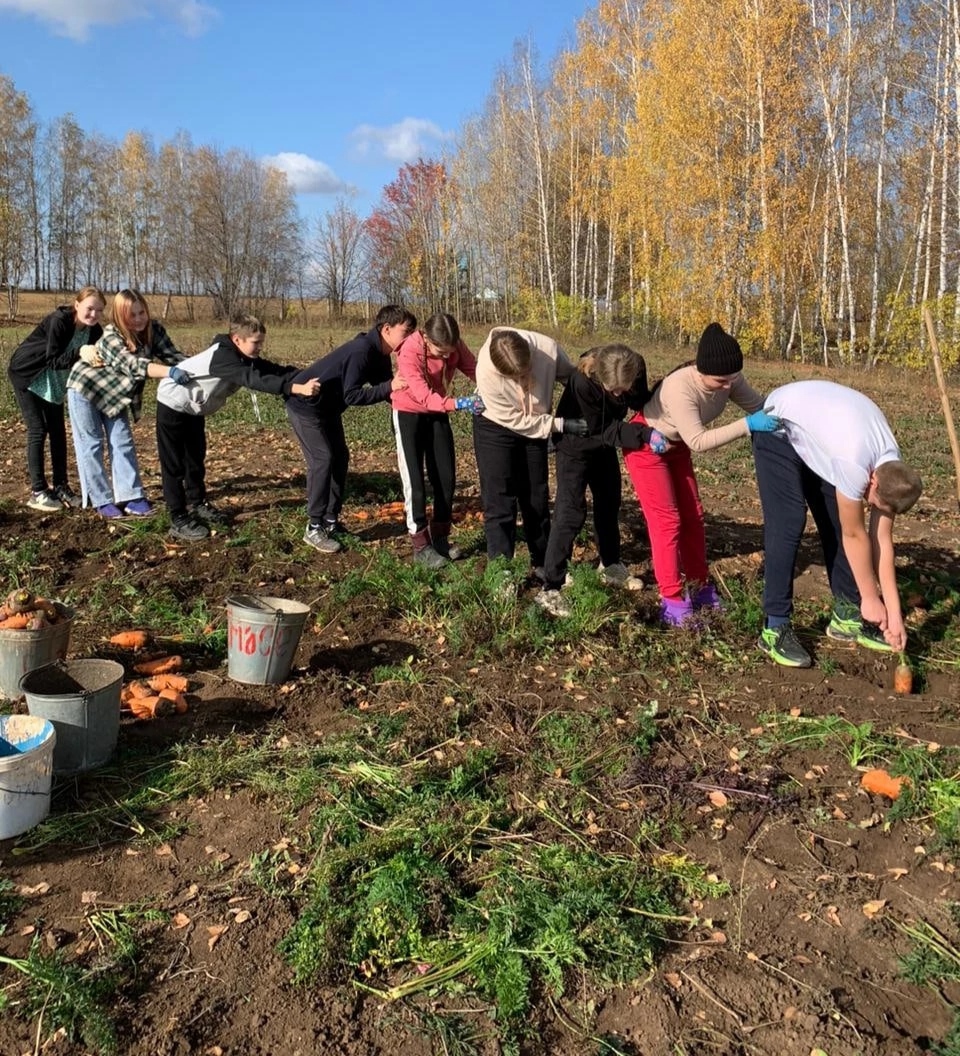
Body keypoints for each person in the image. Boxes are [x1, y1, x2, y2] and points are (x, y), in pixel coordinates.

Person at [753, 379, 922, 668]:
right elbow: (855, 535)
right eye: (872, 501)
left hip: (823, 434)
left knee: (837, 521)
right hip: (778, 424)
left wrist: (894, 615)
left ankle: (846, 615)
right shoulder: (855, 464)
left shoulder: (894, 474)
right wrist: (870, 597)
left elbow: (882, 541)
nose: (870, 505)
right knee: (790, 521)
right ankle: (775, 626)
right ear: (872, 480)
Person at [623, 322, 779, 626]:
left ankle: (700, 587)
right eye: (720, 380)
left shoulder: (730, 378)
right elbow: (698, 441)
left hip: (676, 447)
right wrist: (747, 425)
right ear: (701, 370)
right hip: (647, 447)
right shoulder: (680, 387)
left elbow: (760, 406)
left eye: (732, 378)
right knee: (668, 521)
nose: (728, 386)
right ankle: (672, 599)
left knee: (693, 517)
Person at [154, 315, 322, 541]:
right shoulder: (223, 357)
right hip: (172, 404)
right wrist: (295, 388)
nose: (260, 347)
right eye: (256, 342)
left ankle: (197, 503)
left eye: (261, 342)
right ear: (237, 339)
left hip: (193, 408)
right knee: (174, 464)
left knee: (195, 458)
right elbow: (253, 379)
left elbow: (270, 369)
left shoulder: (243, 355)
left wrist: (305, 374)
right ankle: (178, 517)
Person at [535, 344, 667, 618]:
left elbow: (638, 401)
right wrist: (643, 435)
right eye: (612, 389)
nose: (618, 394)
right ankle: (551, 584)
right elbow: (602, 428)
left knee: (609, 503)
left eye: (623, 389)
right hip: (575, 445)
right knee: (570, 513)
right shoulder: (582, 382)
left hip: (604, 447)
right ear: (600, 378)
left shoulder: (635, 366)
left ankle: (610, 564)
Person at [286, 305, 416, 554]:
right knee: (323, 460)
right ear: (386, 329)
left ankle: (331, 521)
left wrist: (414, 404)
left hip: (328, 408)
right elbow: (353, 395)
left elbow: (385, 388)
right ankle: (313, 527)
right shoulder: (361, 351)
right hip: (306, 406)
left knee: (340, 458)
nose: (409, 338)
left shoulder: (380, 353)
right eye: (406, 332)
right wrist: (390, 386)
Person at [66, 289, 190, 519]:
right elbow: (133, 366)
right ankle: (100, 500)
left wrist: (200, 367)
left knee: (122, 441)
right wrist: (170, 372)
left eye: (142, 312)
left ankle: (131, 497)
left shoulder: (154, 330)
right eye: (132, 315)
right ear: (120, 316)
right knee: (91, 444)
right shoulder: (111, 336)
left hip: (115, 396)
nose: (139, 319)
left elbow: (174, 356)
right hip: (85, 390)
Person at [473, 327, 577, 576]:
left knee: (536, 495)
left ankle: (543, 563)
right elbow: (516, 421)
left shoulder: (548, 350)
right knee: (499, 498)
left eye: (526, 373)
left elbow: (572, 379)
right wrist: (559, 424)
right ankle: (501, 571)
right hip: (495, 426)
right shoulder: (486, 370)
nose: (522, 381)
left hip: (536, 425)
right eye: (514, 378)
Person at [391, 312, 483, 568]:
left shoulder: (454, 345)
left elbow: (473, 369)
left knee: (445, 477)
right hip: (409, 412)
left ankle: (440, 537)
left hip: (437, 412)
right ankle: (421, 545)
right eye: (440, 352)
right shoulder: (409, 351)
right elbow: (424, 396)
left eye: (449, 353)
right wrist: (460, 403)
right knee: (415, 482)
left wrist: (492, 388)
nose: (445, 358)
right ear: (426, 337)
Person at [7, 286, 106, 511]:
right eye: (90, 308)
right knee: (38, 429)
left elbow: (88, 359)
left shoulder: (94, 331)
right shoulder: (59, 321)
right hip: (29, 373)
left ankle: (61, 487)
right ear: (77, 305)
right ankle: (38, 492)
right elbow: (53, 360)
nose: (94, 314)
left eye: (99, 310)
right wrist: (80, 351)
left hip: (56, 381)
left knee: (58, 433)